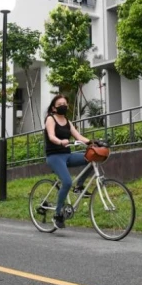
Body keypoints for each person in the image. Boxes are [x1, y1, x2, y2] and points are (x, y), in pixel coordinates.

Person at [43, 94, 92, 229]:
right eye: (60, 105)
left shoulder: (68, 121)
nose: (63, 106)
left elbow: (78, 136)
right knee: (67, 182)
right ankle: (57, 214)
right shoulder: (50, 119)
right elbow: (52, 136)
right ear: (54, 108)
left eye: (65, 104)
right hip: (54, 156)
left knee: (91, 158)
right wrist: (60, 141)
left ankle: (79, 187)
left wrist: (92, 143)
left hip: (67, 154)